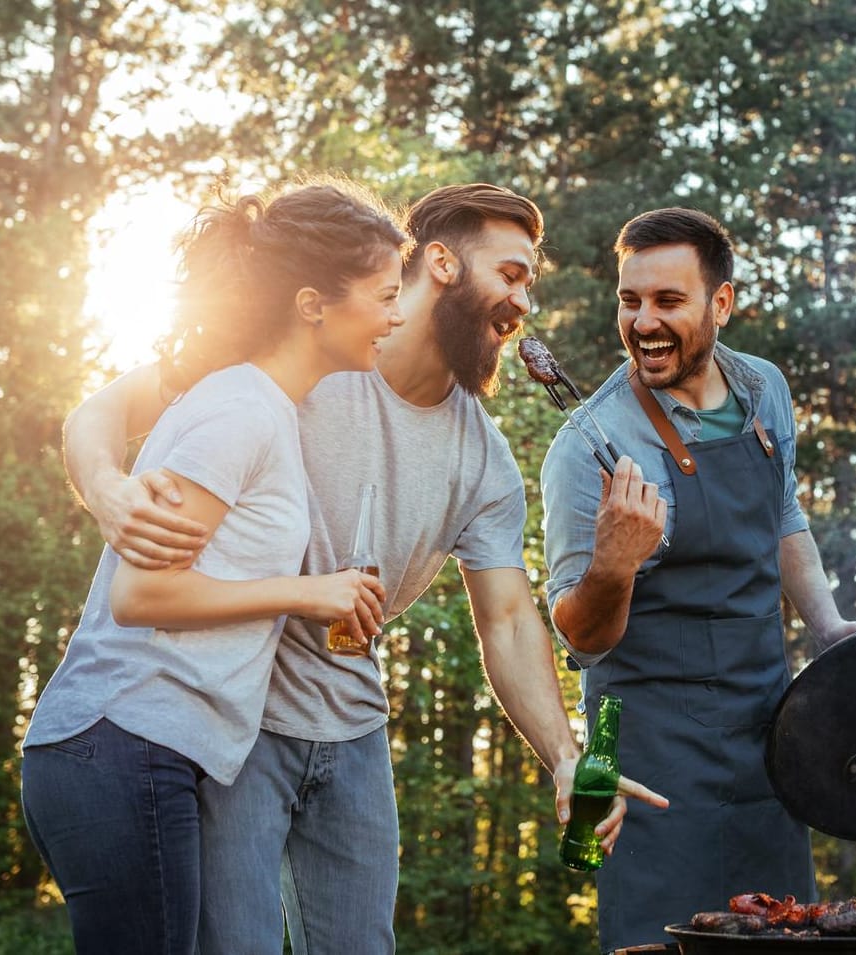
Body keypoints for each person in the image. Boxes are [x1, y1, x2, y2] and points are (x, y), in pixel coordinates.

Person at [60, 183, 667, 955]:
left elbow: (509, 618)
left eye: (528, 284)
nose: (524, 303)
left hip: (352, 733)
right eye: (511, 275)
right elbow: (100, 412)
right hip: (239, 718)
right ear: (441, 263)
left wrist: (566, 753)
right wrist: (109, 490)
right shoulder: (307, 354)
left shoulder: (486, 462)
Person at [21, 178, 406, 954]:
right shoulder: (239, 406)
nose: (396, 316)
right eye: (385, 295)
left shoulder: (261, 406)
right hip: (120, 741)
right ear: (312, 304)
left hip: (142, 752)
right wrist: (308, 592)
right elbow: (142, 592)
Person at [539, 207, 856, 952]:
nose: (644, 321)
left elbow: (783, 519)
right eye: (630, 300)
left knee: (781, 934)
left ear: (720, 303)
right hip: (648, 763)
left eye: (667, 300)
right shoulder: (586, 444)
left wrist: (831, 625)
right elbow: (580, 633)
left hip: (766, 737)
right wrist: (614, 563)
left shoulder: (763, 392)